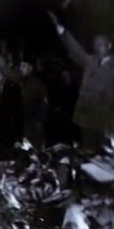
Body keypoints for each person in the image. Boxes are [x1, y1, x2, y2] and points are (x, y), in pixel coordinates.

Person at [48, 11, 114, 152]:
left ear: (109, 45)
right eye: (95, 44)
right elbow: (76, 50)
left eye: (101, 44)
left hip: (104, 121)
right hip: (85, 117)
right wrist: (61, 30)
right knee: (87, 152)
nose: (97, 47)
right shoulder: (91, 61)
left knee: (103, 155)